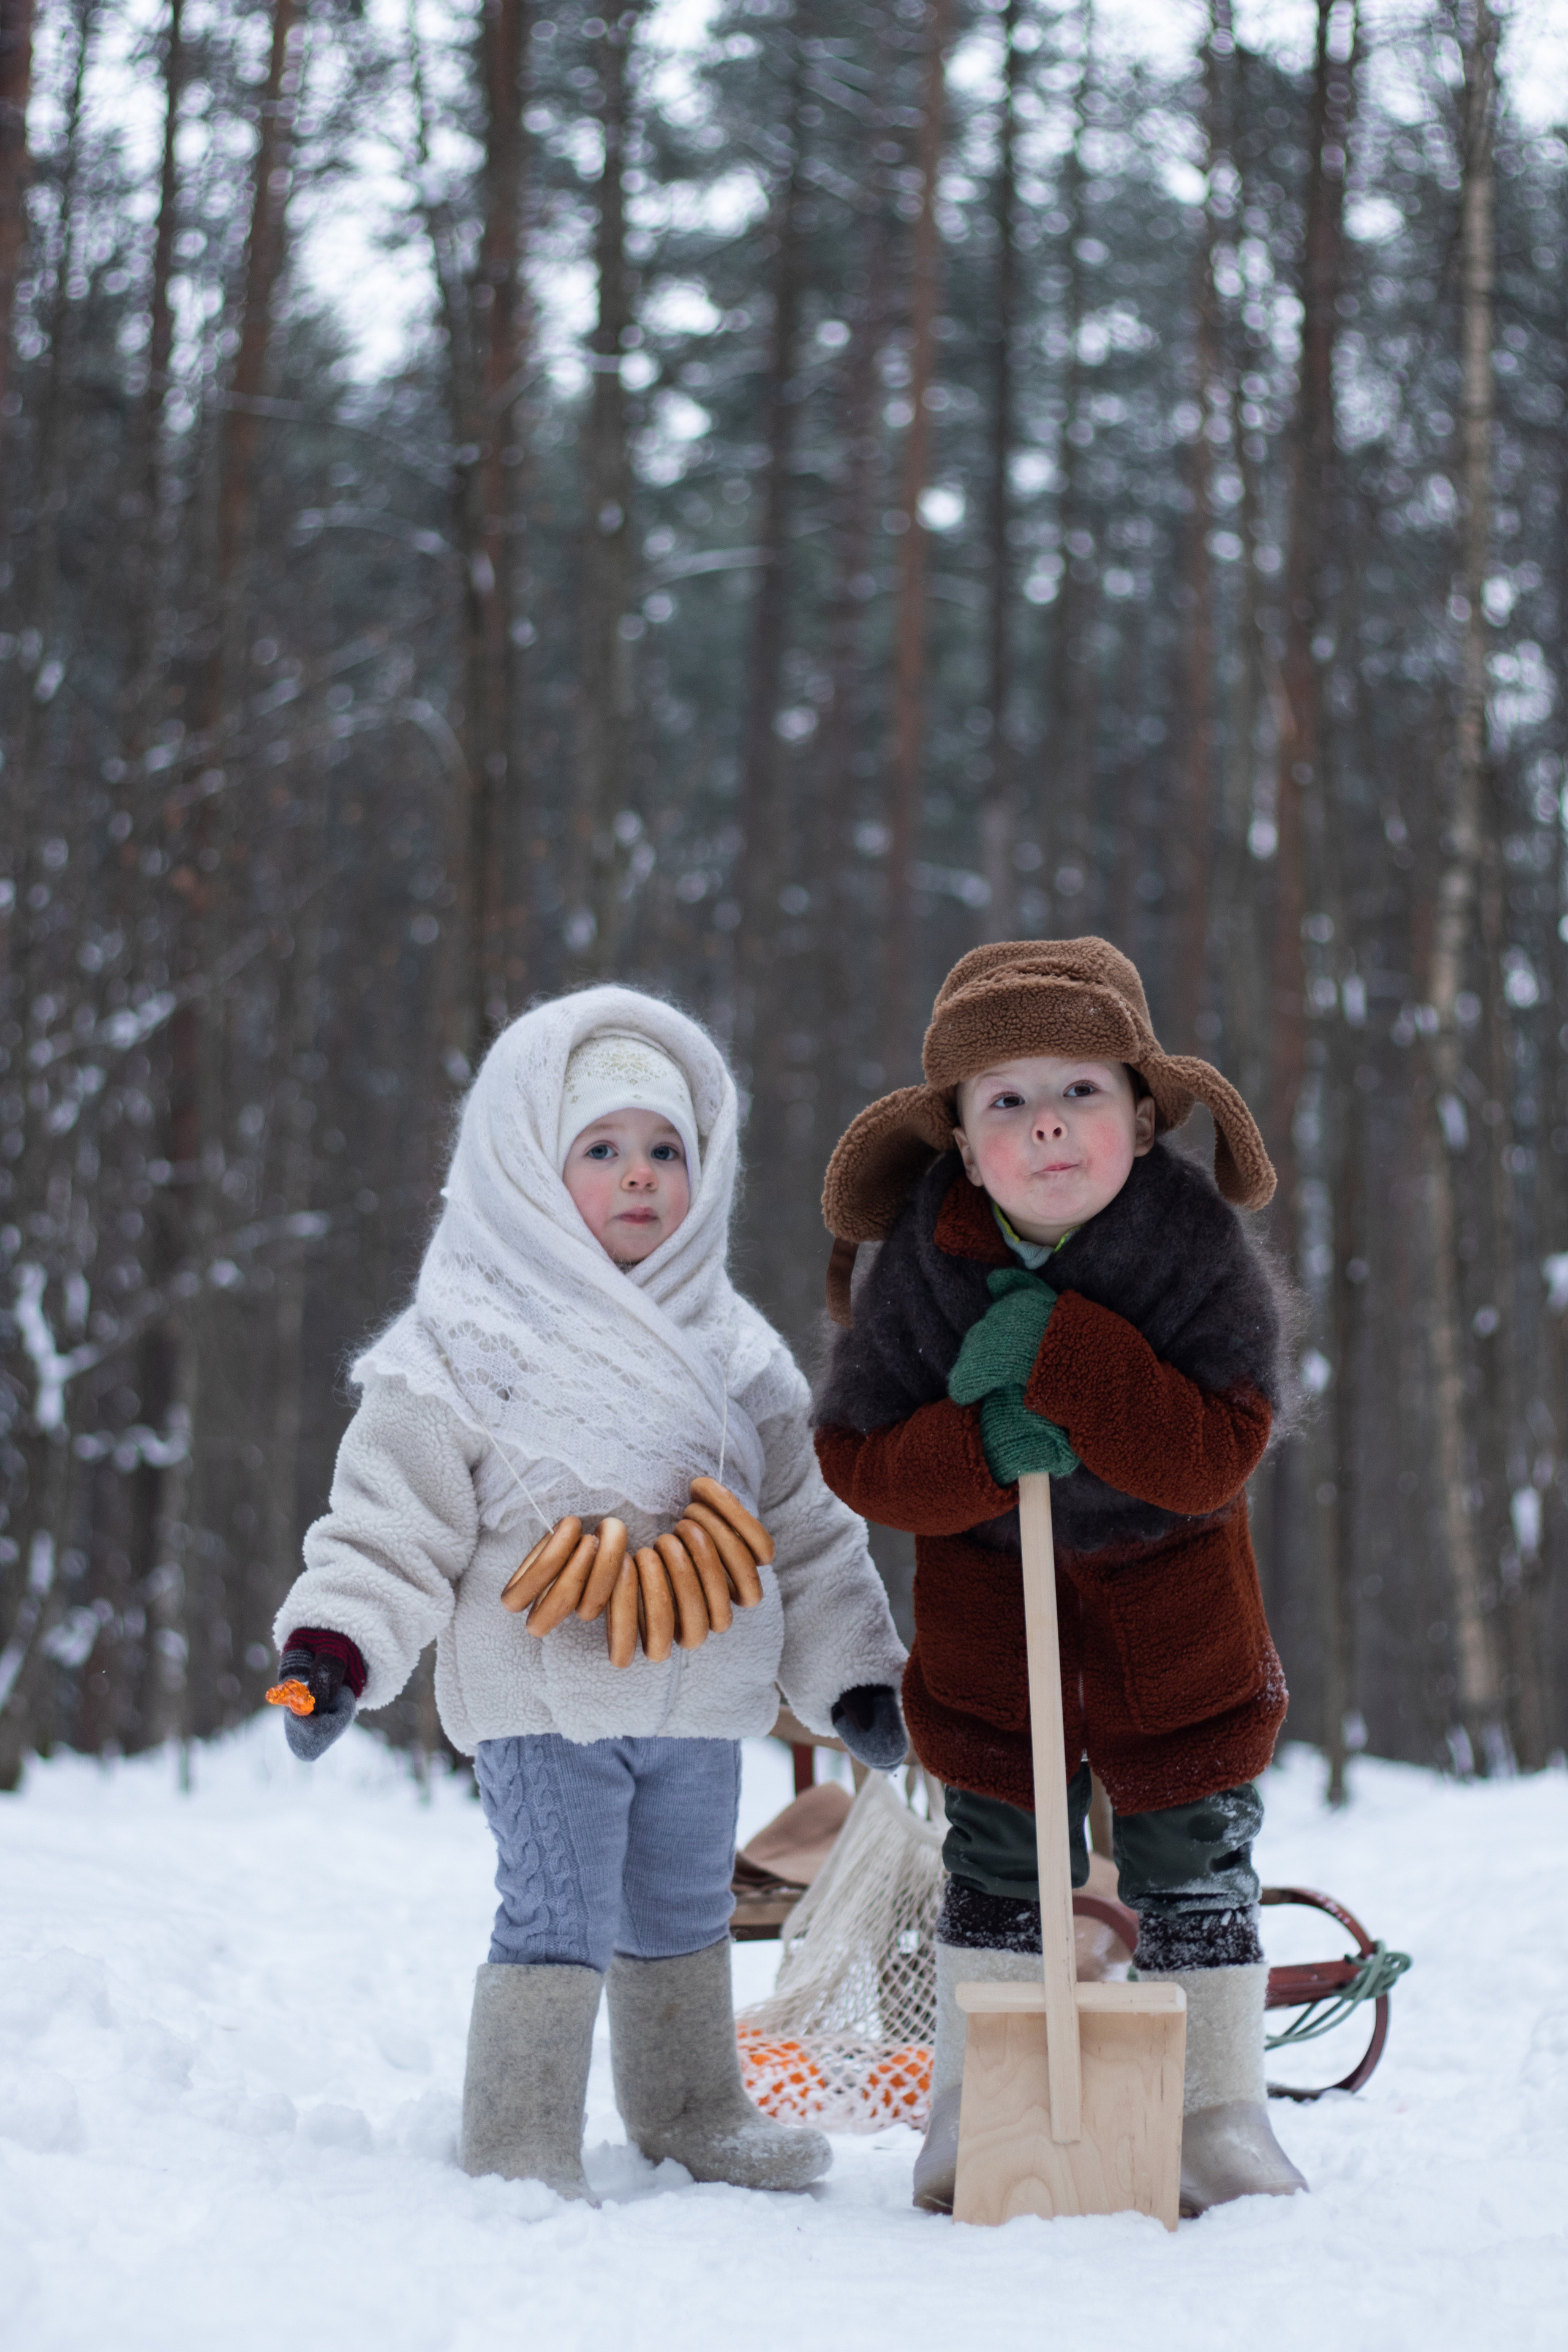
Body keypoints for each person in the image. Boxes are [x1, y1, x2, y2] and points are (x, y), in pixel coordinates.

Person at [271, 986, 907, 2204]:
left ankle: (691, 2108)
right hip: (545, 1696)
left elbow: (807, 1535)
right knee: (555, 1911)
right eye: (601, 1150)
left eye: (664, 1149)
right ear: (525, 1169)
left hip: (701, 1695)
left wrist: (854, 1676)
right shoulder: (462, 1339)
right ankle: (518, 2132)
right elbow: (388, 1520)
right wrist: (334, 1648)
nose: (639, 1176)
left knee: (680, 1909)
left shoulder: (735, 1353)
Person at [813, 937, 1306, 2217]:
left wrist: (1072, 1361)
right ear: (961, 1145)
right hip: (992, 1622)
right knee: (997, 1850)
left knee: (1192, 1845)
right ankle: (977, 2103)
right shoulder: (921, 1263)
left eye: (1078, 1092)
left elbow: (1219, 1450)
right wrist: (976, 1445)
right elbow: (856, 1458)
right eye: (1004, 1103)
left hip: (1172, 1614)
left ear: (1142, 1119)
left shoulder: (1192, 1251)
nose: (1045, 1128)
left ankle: (1212, 2111)